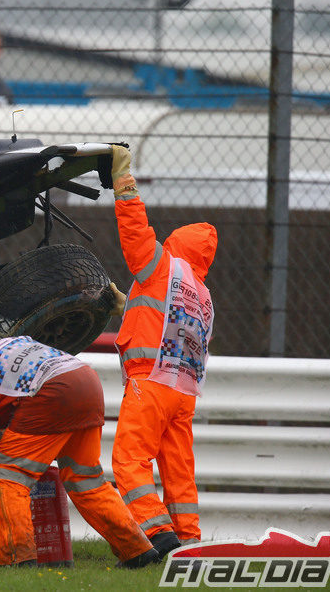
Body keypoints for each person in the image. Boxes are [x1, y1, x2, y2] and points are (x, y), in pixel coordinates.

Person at [0, 336, 159, 568]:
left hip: (54, 391)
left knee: (5, 472)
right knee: (85, 480)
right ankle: (136, 550)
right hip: (86, 382)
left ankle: (16, 558)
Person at [107, 145, 217, 559]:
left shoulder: (161, 266)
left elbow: (135, 229)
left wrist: (123, 178)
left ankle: (157, 533)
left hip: (150, 382)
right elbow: (163, 320)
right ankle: (188, 541)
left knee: (128, 460)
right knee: (178, 471)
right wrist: (128, 307)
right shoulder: (200, 292)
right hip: (182, 392)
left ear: (175, 243)